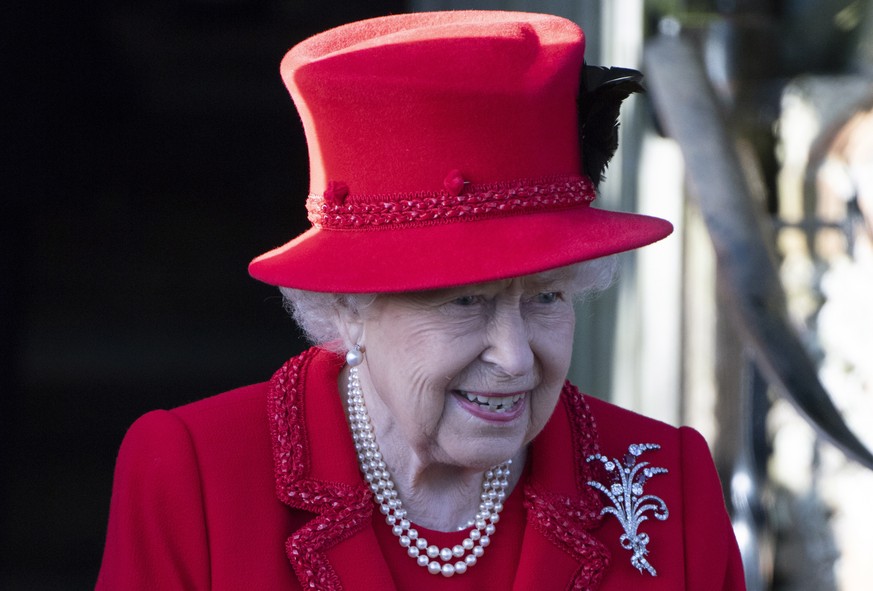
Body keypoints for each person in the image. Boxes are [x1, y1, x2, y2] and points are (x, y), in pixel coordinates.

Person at [96, 10, 745, 590]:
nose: (515, 357)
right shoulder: (195, 478)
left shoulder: (667, 486)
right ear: (349, 306)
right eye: (463, 303)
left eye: (545, 296)